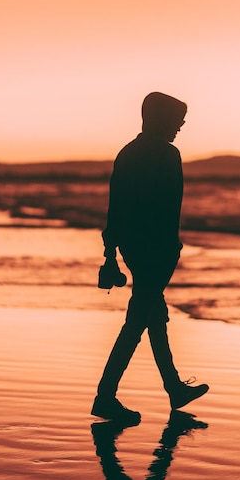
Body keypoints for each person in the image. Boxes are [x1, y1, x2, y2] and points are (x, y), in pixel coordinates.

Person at [91, 92, 209, 421]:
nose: (181, 126)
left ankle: (174, 388)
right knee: (137, 321)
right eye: (177, 119)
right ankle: (105, 397)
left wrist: (111, 251)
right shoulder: (168, 155)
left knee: (153, 315)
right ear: (161, 118)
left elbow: (114, 208)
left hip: (132, 247)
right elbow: (170, 210)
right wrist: (174, 249)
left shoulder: (127, 154)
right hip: (157, 249)